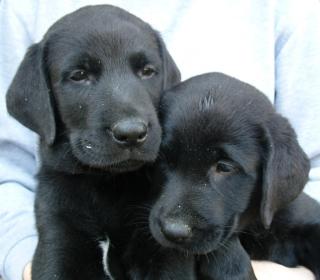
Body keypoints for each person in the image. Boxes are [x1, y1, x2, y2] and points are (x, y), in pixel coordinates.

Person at [0, 0, 319, 279]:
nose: (129, 124)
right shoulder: (23, 7)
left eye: (146, 71)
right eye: (79, 75)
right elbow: (7, 175)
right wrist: (27, 264)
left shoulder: (288, 9)